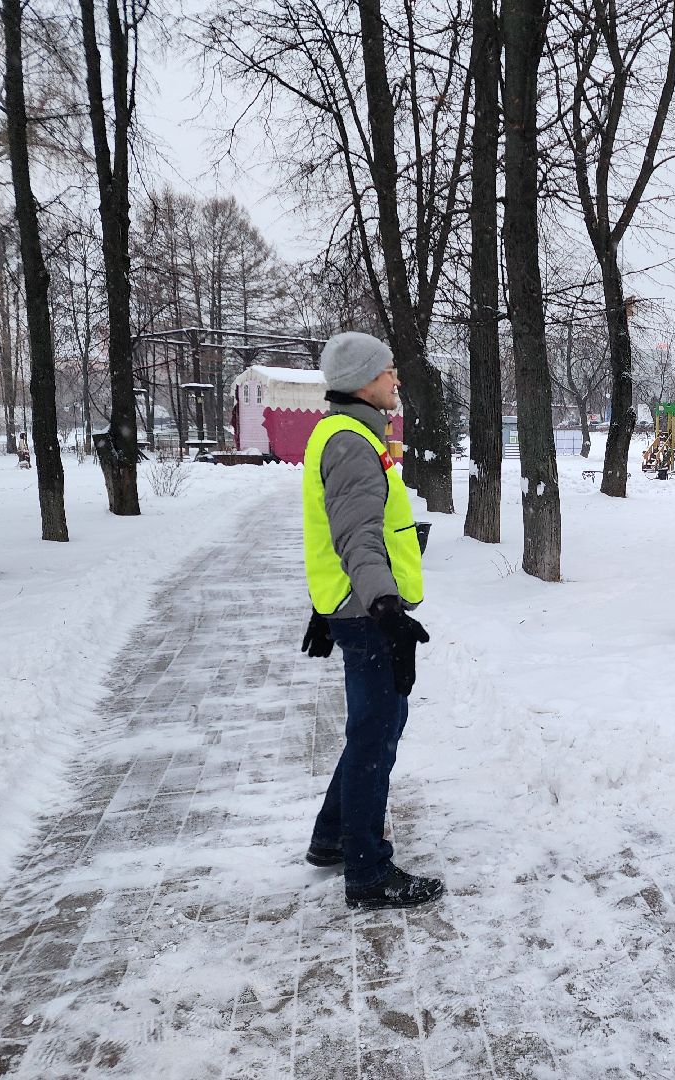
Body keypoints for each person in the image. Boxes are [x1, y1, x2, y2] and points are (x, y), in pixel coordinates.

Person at [299, 331, 443, 910]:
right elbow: (357, 534)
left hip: (353, 608)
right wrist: (384, 609)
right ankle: (367, 872)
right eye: (388, 371)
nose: (396, 380)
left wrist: (324, 607)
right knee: (376, 736)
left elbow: (343, 526)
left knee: (370, 731)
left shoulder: (346, 434)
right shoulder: (351, 442)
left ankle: (333, 837)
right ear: (362, 379)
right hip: (367, 613)